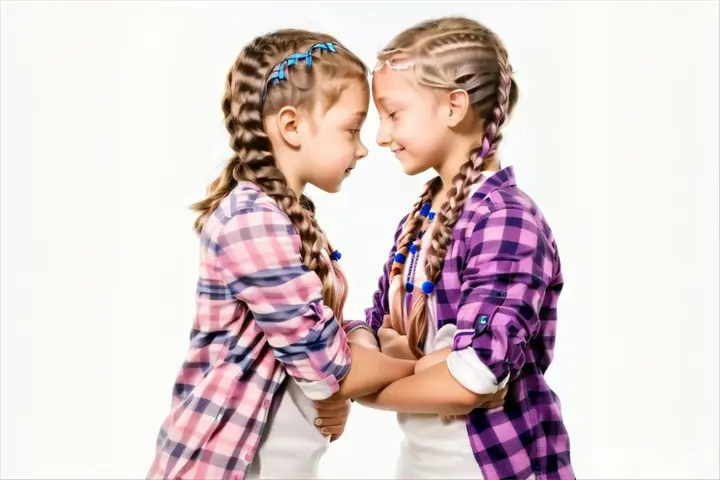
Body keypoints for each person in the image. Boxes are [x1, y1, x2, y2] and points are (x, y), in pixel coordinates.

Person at [147, 29, 416, 480]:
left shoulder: (285, 218)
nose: (364, 147)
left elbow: (326, 340)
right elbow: (325, 367)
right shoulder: (252, 223)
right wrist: (428, 372)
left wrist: (352, 362)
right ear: (291, 126)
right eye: (351, 129)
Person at [359, 17, 575, 480]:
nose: (379, 136)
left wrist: (366, 387)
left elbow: (471, 379)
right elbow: (369, 337)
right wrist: (426, 369)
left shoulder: (505, 219)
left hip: (496, 468)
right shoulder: (417, 222)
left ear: (454, 106)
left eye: (393, 113)